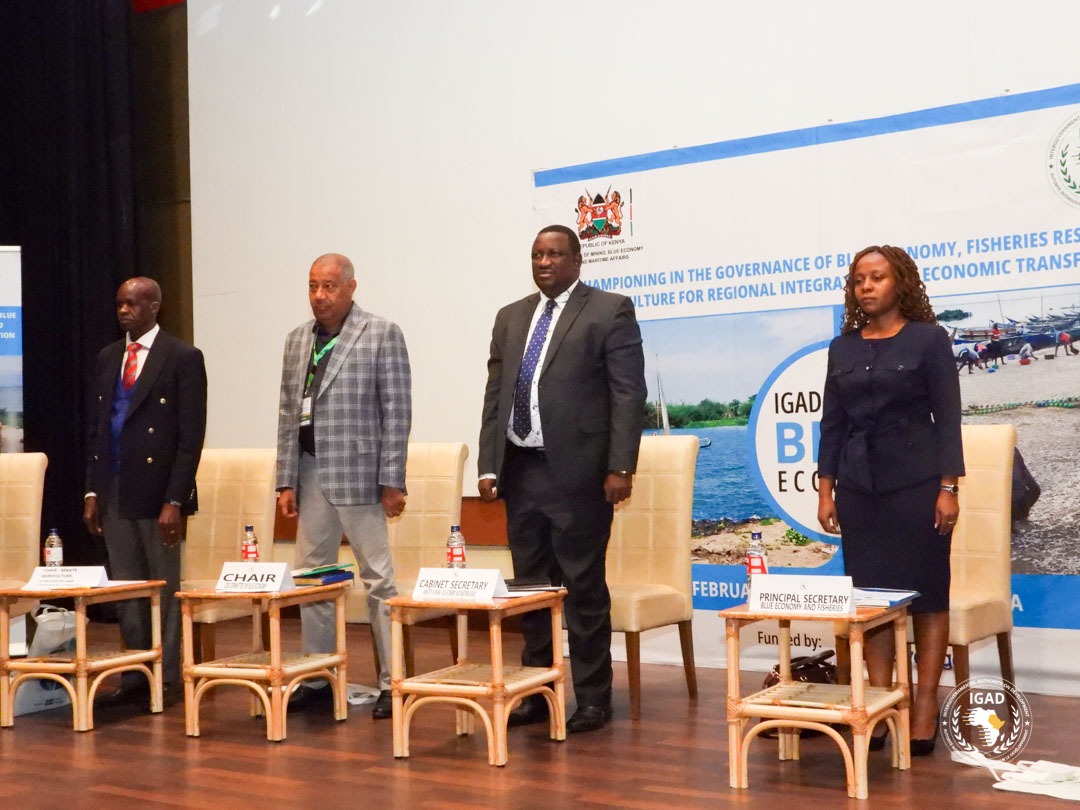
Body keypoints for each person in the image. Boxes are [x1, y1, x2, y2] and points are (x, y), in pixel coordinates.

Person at [478, 224, 647, 733]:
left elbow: (627, 394)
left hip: (581, 474)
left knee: (582, 588)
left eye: (554, 254)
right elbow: (495, 396)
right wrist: (489, 463)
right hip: (522, 470)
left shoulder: (608, 309)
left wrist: (621, 466)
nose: (544, 262)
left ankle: (593, 699)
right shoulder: (510, 317)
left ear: (577, 260)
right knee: (530, 591)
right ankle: (536, 691)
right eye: (536, 254)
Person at [816, 245, 963, 756]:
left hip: (918, 486)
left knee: (926, 594)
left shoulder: (929, 340)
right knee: (872, 600)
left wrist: (949, 487)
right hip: (859, 490)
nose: (867, 287)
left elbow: (948, 418)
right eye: (859, 280)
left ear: (900, 283)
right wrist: (826, 488)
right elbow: (832, 422)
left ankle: (924, 705)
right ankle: (881, 704)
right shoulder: (842, 348)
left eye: (878, 277)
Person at [275, 253, 410, 720]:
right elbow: (288, 414)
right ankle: (317, 676)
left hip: (362, 476)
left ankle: (392, 683)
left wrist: (392, 478)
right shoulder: (297, 340)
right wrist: (285, 479)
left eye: (329, 286)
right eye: (313, 286)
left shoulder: (381, 333)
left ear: (351, 287)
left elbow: (397, 412)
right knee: (312, 579)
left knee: (378, 580)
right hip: (310, 473)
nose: (319, 296)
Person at [84, 277, 207, 706]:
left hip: (159, 494)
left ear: (154, 306)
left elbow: (190, 439)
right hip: (115, 485)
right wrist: (92, 492)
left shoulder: (182, 356)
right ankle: (137, 670)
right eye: (119, 303)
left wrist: (174, 500)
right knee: (129, 586)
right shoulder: (108, 357)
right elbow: (98, 431)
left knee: (163, 586)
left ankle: (168, 675)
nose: (123, 310)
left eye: (132, 304)